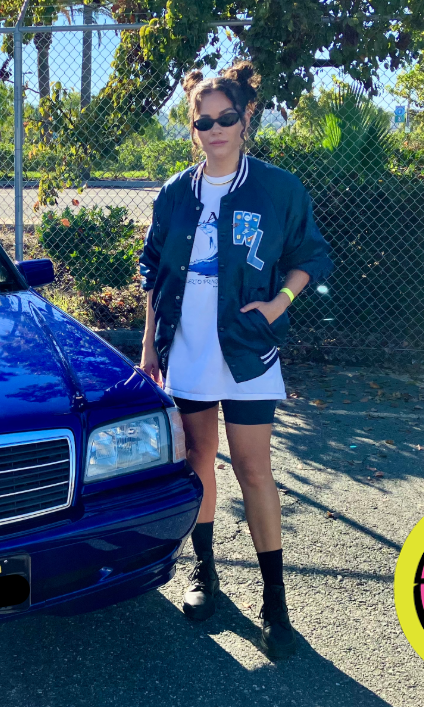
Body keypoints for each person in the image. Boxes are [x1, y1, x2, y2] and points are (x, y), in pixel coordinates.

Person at [138, 62, 333, 658]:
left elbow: (311, 257)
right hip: (188, 351)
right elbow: (154, 273)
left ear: (247, 118)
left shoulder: (277, 189)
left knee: (254, 470)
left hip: (248, 351)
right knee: (200, 459)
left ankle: (275, 603)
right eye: (203, 121)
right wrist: (149, 348)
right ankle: (206, 575)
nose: (215, 128)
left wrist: (279, 303)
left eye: (226, 118)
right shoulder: (175, 194)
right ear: (192, 128)